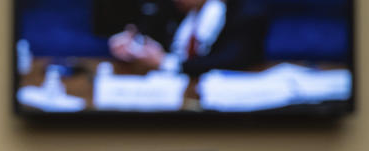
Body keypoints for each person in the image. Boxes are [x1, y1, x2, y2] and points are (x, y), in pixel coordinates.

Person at [107, 0, 266, 76]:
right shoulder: (175, 9)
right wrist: (132, 45)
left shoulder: (247, 13)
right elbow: (147, 34)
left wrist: (166, 63)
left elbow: (232, 60)